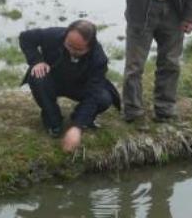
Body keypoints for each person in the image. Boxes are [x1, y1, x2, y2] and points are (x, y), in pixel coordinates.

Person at [19, 20, 120, 152]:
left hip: (80, 86)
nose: (72, 50)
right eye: (69, 45)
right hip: (53, 79)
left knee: (104, 98)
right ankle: (53, 121)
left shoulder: (99, 59)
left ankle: (79, 118)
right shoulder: (54, 35)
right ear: (66, 35)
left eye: (78, 49)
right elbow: (25, 38)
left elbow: (93, 95)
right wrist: (37, 61)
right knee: (37, 76)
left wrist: (77, 126)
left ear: (90, 47)